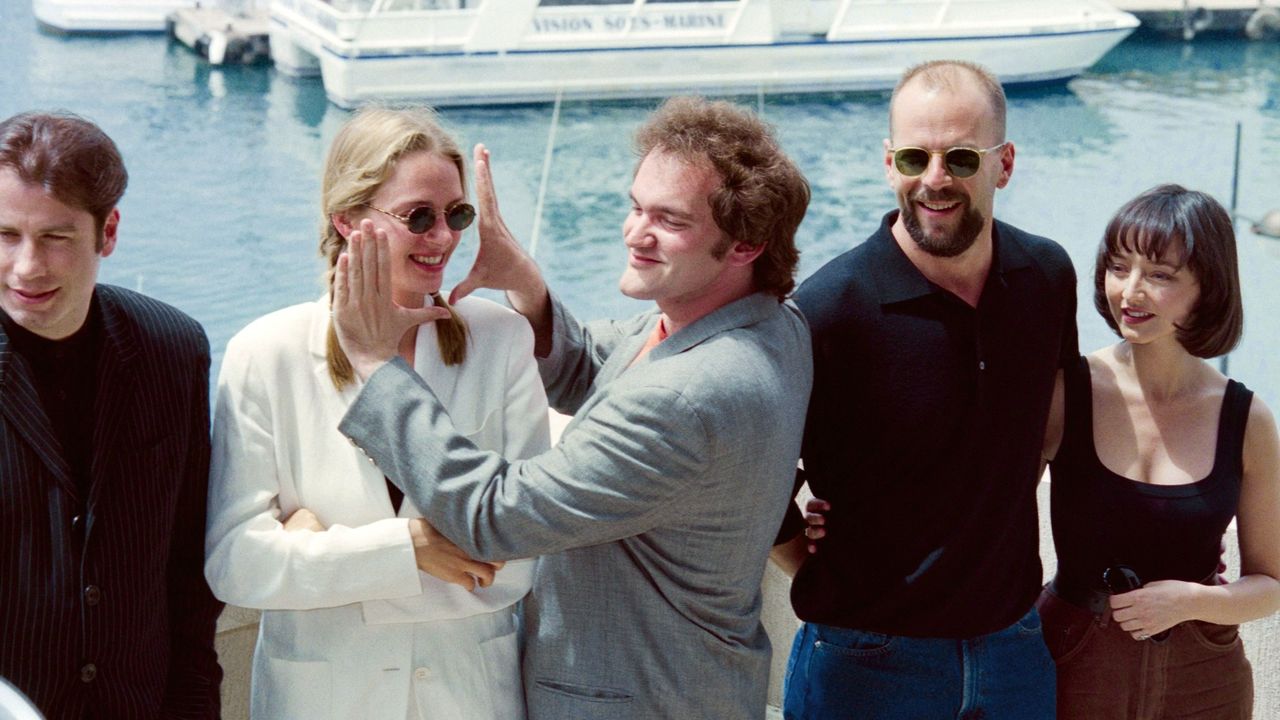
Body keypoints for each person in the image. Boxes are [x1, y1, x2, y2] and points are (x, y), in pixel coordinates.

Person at [330, 96, 813, 719]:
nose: (635, 234)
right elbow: (594, 370)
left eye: (670, 220)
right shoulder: (767, 325)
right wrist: (525, 283)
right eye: (636, 206)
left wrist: (376, 367)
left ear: (745, 246)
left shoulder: (688, 396)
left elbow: (497, 514)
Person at [203, 107, 550, 720]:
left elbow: (518, 564)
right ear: (346, 219)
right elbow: (236, 566)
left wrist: (318, 558)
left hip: (469, 700)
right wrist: (411, 547)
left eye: (456, 215)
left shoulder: (502, 341)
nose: (443, 237)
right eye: (419, 216)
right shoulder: (265, 354)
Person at [774, 60, 1078, 719]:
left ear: (1005, 164)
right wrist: (821, 568)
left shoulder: (1047, 277)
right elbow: (755, 473)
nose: (935, 180)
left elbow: (1049, 424)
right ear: (889, 164)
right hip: (865, 664)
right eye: (915, 156)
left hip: (1014, 654)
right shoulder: (827, 312)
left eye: (962, 158)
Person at [0, 111, 222, 718]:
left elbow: (188, 572)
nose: (26, 267)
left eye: (56, 238)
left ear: (109, 232)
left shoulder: (174, 349)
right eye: (6, 236)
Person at [1037, 184, 1280, 718]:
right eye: (1119, 267)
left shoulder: (1248, 419)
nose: (1131, 290)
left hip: (1206, 677)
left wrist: (1192, 600)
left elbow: (1271, 584)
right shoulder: (1065, 392)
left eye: (1160, 275)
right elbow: (981, 506)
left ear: (1207, 289)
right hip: (1072, 659)